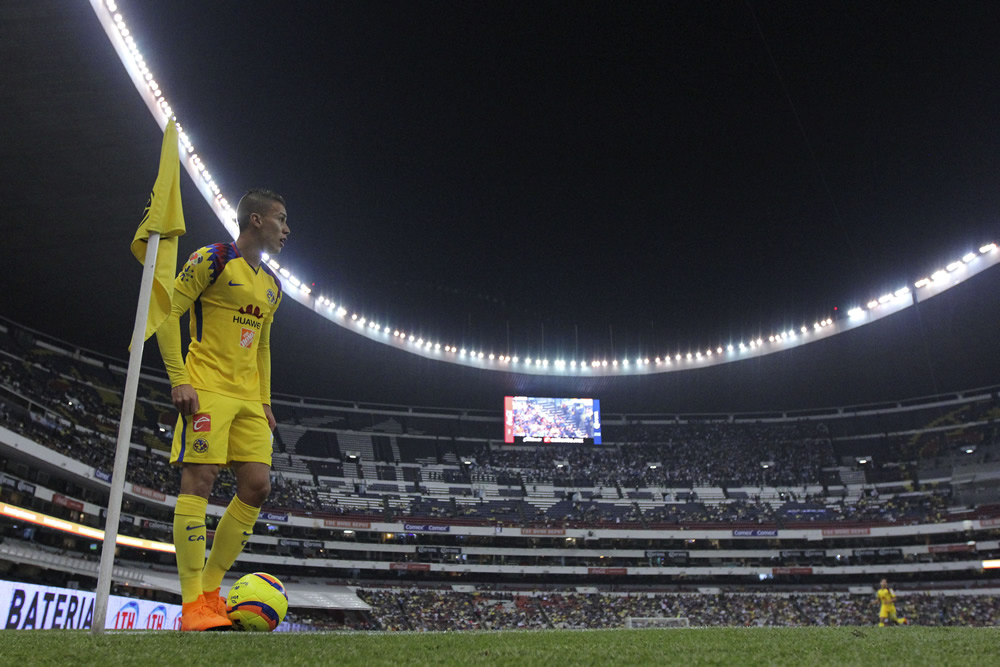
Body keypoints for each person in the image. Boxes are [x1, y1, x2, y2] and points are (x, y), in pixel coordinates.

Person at [156, 189, 289, 631]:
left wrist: (265, 400)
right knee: (201, 479)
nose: (286, 229)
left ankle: (213, 591)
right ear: (255, 220)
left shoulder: (272, 286)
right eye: (280, 220)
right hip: (207, 386)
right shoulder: (210, 260)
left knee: (257, 486)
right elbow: (167, 312)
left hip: (249, 398)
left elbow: (264, 346)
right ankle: (193, 603)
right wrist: (179, 378)